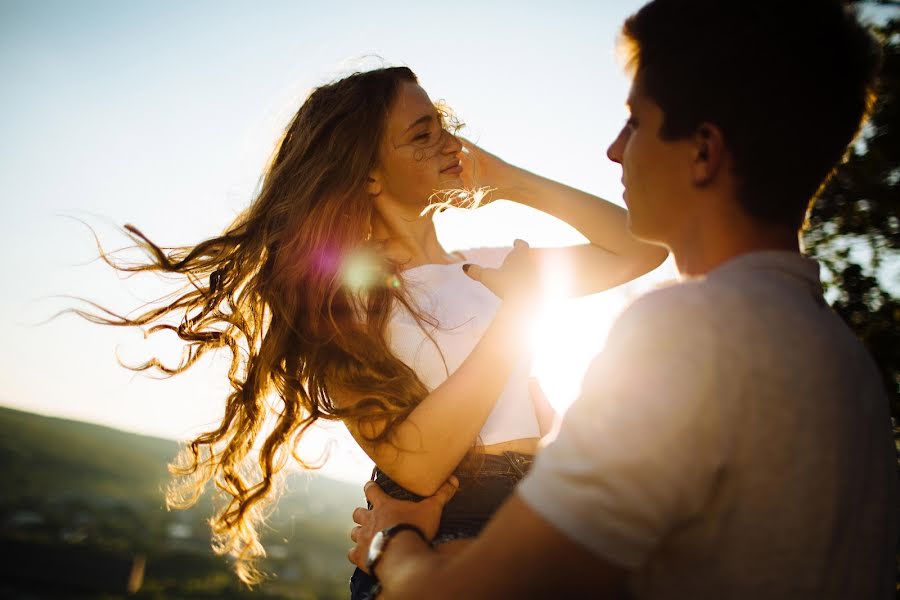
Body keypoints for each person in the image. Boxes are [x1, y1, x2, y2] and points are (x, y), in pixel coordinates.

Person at [347, 1, 899, 598]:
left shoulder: (689, 333)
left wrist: (393, 544)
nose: (613, 149)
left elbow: (473, 591)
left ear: (703, 152)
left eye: (634, 123)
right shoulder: (848, 361)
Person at [80, 65, 665, 591]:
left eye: (442, 124)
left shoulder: (491, 264)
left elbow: (642, 248)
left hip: (540, 515)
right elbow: (413, 464)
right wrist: (516, 315)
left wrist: (510, 181)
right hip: (442, 525)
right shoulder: (343, 299)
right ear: (368, 177)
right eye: (422, 134)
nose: (449, 144)